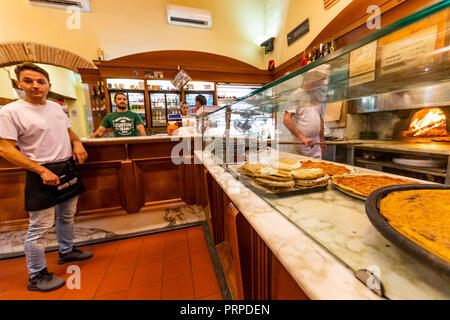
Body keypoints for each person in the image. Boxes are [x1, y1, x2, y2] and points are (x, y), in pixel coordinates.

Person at [0, 62, 93, 292]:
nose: (35, 86)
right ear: (18, 83)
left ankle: (67, 251)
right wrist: (41, 170)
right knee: (39, 227)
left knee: (67, 216)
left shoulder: (56, 107)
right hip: (40, 172)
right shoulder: (10, 111)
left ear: (48, 85)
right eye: (29, 81)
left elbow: (68, 131)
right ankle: (37, 275)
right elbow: (6, 149)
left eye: (40, 82)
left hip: (67, 168)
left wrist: (77, 142)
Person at [282, 65, 330, 159]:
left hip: (316, 143)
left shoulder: (317, 95)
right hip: (302, 144)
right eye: (320, 79)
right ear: (311, 77)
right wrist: (302, 138)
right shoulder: (296, 95)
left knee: (317, 169)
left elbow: (320, 118)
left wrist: (322, 139)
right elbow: (286, 120)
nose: (323, 82)